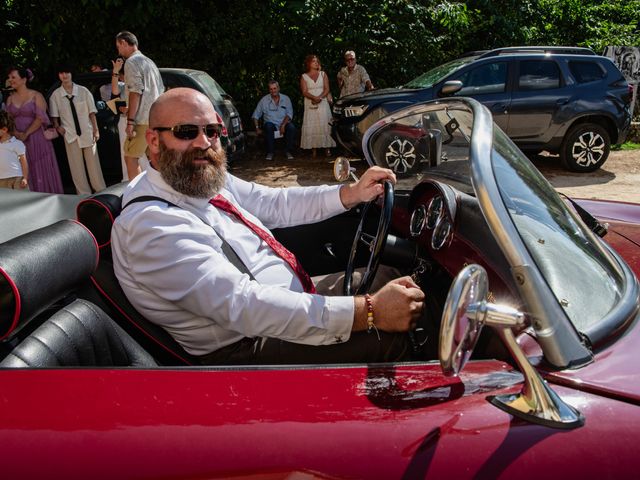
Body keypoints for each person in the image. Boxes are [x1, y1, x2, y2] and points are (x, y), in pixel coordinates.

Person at [111, 87, 424, 365]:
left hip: (282, 301)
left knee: (392, 277)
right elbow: (245, 305)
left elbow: (274, 203)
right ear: (153, 141)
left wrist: (350, 193)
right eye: (186, 131)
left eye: (212, 131)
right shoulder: (151, 225)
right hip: (245, 346)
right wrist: (370, 311)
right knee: (390, 338)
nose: (203, 142)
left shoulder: (195, 180)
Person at [4, 67, 63, 193]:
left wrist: (26, 133)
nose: (10, 80)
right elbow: (8, 120)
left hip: (37, 138)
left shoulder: (36, 95)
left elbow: (40, 118)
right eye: (9, 77)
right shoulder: (9, 99)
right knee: (24, 167)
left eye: (13, 77)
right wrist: (15, 133)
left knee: (39, 167)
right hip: (18, 140)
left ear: (24, 79)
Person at [115, 30, 164, 180]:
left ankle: (136, 198)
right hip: (156, 119)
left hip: (142, 120)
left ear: (124, 42)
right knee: (157, 160)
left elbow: (135, 92)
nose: (118, 50)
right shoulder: (149, 62)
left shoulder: (131, 62)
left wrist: (130, 121)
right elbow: (161, 89)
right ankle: (165, 193)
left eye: (118, 46)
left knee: (130, 157)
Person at [49, 67, 106, 195]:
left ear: (71, 73)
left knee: (94, 167)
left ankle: (101, 192)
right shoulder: (56, 95)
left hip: (87, 132)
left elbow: (92, 112)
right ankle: (83, 196)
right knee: (76, 169)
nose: (64, 75)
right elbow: (54, 116)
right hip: (70, 135)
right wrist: (58, 127)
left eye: (67, 71)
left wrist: (96, 130)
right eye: (61, 72)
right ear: (58, 75)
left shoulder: (83, 91)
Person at [299, 54, 336, 158]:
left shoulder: (323, 74)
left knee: (324, 123)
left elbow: (327, 89)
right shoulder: (304, 76)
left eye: (317, 61)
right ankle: (313, 150)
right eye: (313, 61)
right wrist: (313, 98)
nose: (316, 63)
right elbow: (304, 91)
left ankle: (327, 148)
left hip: (322, 101)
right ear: (308, 63)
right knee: (312, 125)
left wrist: (319, 97)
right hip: (310, 102)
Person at [252, 80, 296, 161]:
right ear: (269, 90)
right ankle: (270, 152)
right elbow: (256, 115)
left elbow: (289, 114)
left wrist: (283, 125)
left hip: (283, 125)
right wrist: (257, 127)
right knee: (268, 125)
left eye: (275, 88)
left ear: (278, 88)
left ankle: (288, 151)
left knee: (291, 127)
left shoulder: (286, 99)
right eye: (271, 89)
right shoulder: (264, 100)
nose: (273, 91)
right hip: (271, 127)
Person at [0, 110, 29, 190]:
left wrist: (25, 178)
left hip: (16, 179)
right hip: (1, 180)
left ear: (4, 129)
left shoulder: (17, 144)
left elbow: (24, 162)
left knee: (21, 200)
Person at [111, 57, 128, 181]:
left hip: (140, 120)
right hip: (124, 120)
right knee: (125, 151)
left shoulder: (142, 83)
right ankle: (128, 179)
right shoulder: (122, 86)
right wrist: (115, 71)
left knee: (141, 153)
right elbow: (114, 90)